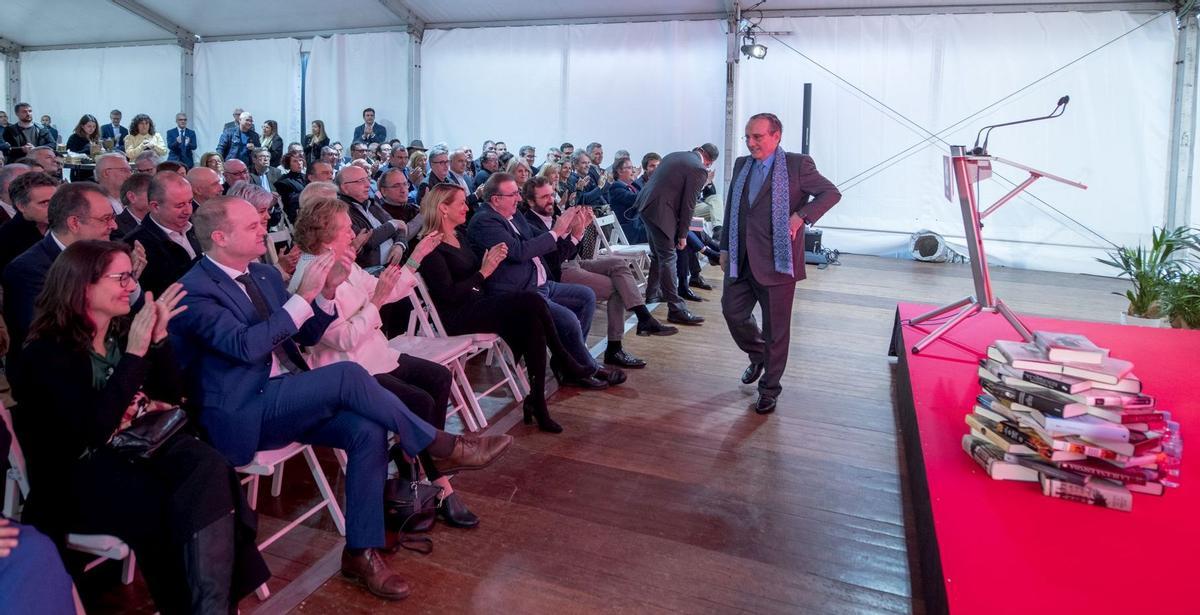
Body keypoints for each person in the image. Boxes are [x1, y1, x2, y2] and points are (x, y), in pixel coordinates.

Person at [168, 195, 513, 600]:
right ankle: (440, 445)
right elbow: (246, 347)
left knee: (367, 430)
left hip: (287, 394)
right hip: (244, 411)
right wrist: (304, 296)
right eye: (251, 226)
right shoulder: (193, 289)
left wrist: (326, 294)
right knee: (348, 374)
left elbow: (307, 335)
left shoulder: (262, 275)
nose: (264, 228)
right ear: (220, 237)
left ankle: (360, 552)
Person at [12, 240, 270, 613]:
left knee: (206, 465)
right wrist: (135, 354)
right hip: (79, 476)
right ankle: (209, 606)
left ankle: (208, 608)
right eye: (121, 278)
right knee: (191, 491)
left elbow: (173, 396)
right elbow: (93, 432)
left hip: (136, 453)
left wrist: (160, 339)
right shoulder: (46, 351)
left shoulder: (118, 332)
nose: (132, 286)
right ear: (83, 285)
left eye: (131, 277)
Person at [289, 197, 478, 526]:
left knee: (437, 377)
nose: (355, 233)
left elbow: (383, 289)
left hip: (375, 354)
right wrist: (374, 304)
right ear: (326, 233)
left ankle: (415, 461)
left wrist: (415, 258)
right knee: (418, 400)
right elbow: (344, 338)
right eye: (347, 227)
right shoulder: (311, 274)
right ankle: (437, 482)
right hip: (349, 371)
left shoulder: (343, 260)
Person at [417, 184, 596, 433]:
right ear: (443, 208)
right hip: (458, 316)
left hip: (478, 304)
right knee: (531, 302)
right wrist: (484, 271)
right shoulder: (430, 247)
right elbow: (450, 295)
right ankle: (563, 360)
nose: (467, 207)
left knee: (532, 318)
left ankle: (537, 401)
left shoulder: (459, 236)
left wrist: (487, 267)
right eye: (461, 203)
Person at [721, 113, 841, 414]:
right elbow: (731, 208)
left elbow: (831, 193)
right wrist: (724, 247)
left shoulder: (798, 164)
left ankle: (769, 389)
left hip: (778, 262)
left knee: (777, 330)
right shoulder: (741, 165)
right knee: (732, 312)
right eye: (747, 137)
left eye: (757, 137)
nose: (750, 143)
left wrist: (802, 216)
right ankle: (758, 355)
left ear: (776, 136)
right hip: (741, 258)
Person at [466, 173, 622, 390]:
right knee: (568, 319)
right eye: (512, 194)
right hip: (518, 292)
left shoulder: (515, 215)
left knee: (586, 296)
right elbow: (519, 252)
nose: (518, 199)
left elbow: (545, 246)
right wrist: (558, 231)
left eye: (517, 193)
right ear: (495, 200)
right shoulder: (485, 222)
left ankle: (567, 363)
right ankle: (585, 369)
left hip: (540, 283)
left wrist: (574, 231)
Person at [521, 176, 676, 368]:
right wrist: (575, 235)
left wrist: (580, 229)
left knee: (618, 264)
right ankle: (614, 348)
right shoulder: (529, 224)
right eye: (544, 197)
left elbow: (574, 252)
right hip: (556, 273)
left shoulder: (555, 215)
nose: (551, 200)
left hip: (573, 263)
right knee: (617, 289)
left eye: (551, 195)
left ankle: (643, 316)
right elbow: (553, 261)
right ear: (530, 201)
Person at [3, 182, 121, 372]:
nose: (114, 226)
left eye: (113, 217)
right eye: (106, 219)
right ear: (74, 223)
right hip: (53, 375)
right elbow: (49, 336)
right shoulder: (27, 270)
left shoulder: (107, 252)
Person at [634, 143, 717, 327]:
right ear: (709, 162)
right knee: (668, 257)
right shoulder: (699, 169)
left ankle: (654, 293)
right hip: (661, 212)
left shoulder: (674, 154)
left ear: (698, 149)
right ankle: (676, 309)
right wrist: (683, 234)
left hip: (646, 206)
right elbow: (689, 204)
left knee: (658, 255)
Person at [123, 172, 201, 296]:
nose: (188, 211)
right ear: (155, 206)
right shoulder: (135, 244)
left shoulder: (199, 227)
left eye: (190, 202)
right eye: (179, 205)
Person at [0, 172, 56, 273]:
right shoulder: (5, 238)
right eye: (45, 203)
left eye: (55, 201)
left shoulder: (64, 227)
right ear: (21, 206)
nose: (54, 208)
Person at [607, 156, 646, 243]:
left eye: (633, 168)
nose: (633, 171)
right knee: (663, 232)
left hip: (641, 226)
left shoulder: (634, 185)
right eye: (629, 168)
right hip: (631, 232)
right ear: (620, 171)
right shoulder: (615, 187)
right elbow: (636, 199)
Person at [114, 172, 154, 238]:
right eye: (152, 193)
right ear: (132, 197)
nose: (159, 197)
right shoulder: (116, 227)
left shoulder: (161, 220)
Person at [276, 150, 308, 223]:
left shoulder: (307, 177)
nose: (299, 163)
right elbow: (289, 202)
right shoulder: (283, 181)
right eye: (295, 161)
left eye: (300, 160)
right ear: (288, 164)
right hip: (296, 215)